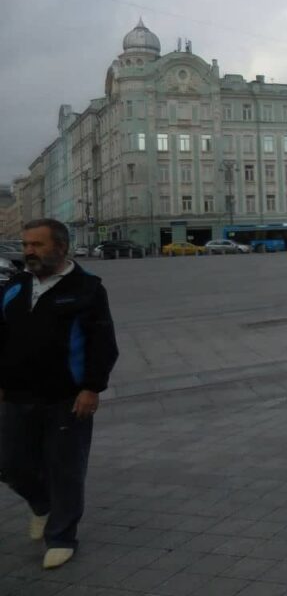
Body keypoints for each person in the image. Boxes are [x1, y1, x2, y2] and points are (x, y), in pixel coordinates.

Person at [0, 219, 119, 569]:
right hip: (19, 395)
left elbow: (103, 343)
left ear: (61, 247)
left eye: (36, 245)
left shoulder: (87, 288)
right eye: (25, 245)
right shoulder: (16, 286)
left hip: (67, 396)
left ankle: (62, 536)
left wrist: (92, 388)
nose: (28, 252)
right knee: (9, 465)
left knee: (65, 468)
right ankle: (42, 504)